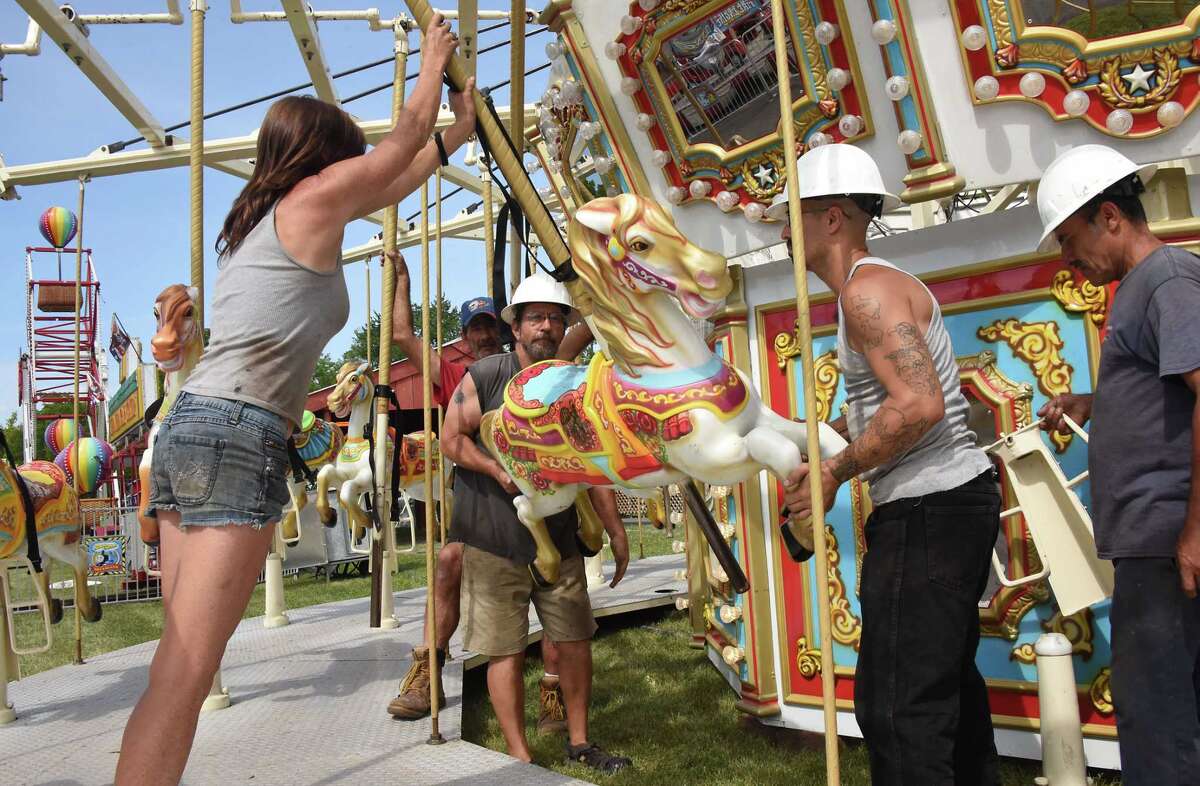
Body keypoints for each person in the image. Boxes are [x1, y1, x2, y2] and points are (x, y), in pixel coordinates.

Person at [115, 16, 473, 786]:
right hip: (236, 433)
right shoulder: (312, 199)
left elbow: (401, 172)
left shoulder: (266, 220)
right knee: (186, 671)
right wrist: (433, 66)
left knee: (173, 665)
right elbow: (396, 148)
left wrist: (457, 136)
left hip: (191, 429)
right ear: (321, 156)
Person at [769, 144, 1000, 785]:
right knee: (945, 689)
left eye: (794, 216)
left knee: (898, 709)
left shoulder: (865, 293)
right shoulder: (877, 287)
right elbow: (894, 401)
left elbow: (920, 404)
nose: (786, 233)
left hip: (928, 508)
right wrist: (811, 438)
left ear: (833, 218)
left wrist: (835, 470)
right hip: (950, 503)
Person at [1035, 145, 1200, 786]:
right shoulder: (1145, 287)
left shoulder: (1167, 280)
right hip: (1156, 541)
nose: (1068, 258)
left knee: (1160, 720)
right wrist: (1093, 402)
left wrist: (1192, 529)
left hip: (1166, 540)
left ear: (1109, 217)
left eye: (1071, 239)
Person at [386, 250, 598, 733]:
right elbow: (402, 336)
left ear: (503, 330)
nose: (482, 335)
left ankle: (551, 689)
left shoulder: (544, 365)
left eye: (488, 327)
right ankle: (428, 667)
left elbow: (583, 327)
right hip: (483, 505)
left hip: (543, 502)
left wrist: (584, 274)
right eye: (474, 328)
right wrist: (400, 280)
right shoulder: (458, 376)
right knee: (448, 562)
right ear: (465, 335)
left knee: (557, 583)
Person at [441, 272, 631, 773]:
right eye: (535, 317)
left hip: (561, 534)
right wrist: (494, 469)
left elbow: (592, 459)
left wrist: (614, 528)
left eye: (554, 316)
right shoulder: (485, 376)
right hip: (493, 536)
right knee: (503, 649)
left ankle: (580, 741)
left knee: (574, 638)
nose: (546, 326)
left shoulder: (572, 383)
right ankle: (520, 756)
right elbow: (451, 439)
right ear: (516, 327)